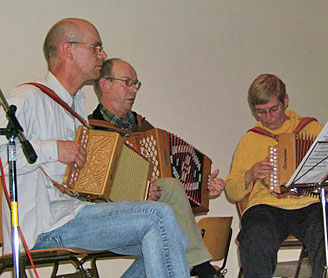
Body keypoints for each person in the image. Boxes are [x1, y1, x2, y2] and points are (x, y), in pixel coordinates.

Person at [0, 18, 190, 278]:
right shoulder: (27, 98)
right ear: (68, 50)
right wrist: (53, 149)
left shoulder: (77, 104)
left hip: (76, 214)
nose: (103, 54)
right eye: (96, 47)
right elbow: (3, 155)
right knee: (158, 218)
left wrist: (137, 191)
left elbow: (84, 183)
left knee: (173, 237)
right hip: (46, 227)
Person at [89, 58, 226, 278]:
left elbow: (168, 182)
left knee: (170, 230)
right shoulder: (92, 131)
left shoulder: (145, 128)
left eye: (136, 84)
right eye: (127, 82)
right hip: (112, 217)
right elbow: (95, 190)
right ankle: (201, 267)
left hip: (152, 214)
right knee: (171, 232)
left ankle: (197, 265)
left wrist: (200, 187)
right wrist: (140, 191)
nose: (134, 90)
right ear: (105, 84)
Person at [225, 74, 328, 278]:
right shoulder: (250, 140)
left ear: (285, 101)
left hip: (311, 203)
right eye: (260, 112)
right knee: (254, 234)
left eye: (273, 109)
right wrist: (250, 174)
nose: (268, 117)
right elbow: (232, 192)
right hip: (268, 208)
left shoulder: (312, 129)